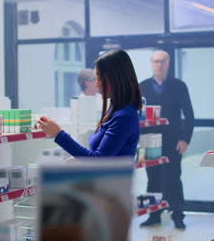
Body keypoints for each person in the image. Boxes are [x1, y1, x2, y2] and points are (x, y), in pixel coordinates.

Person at [38, 49, 141, 159]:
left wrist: (58, 134)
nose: (97, 84)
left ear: (115, 79)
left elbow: (98, 161)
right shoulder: (115, 108)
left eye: (100, 79)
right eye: (96, 79)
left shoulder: (124, 116)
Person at [139, 50, 194, 230]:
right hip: (149, 142)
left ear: (168, 63)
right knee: (152, 179)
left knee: (173, 179)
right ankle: (154, 215)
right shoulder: (142, 87)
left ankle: (178, 216)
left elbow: (189, 115)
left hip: (172, 141)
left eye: (162, 61)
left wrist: (185, 139)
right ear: (151, 64)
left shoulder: (179, 86)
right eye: (155, 61)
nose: (159, 65)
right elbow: (136, 115)